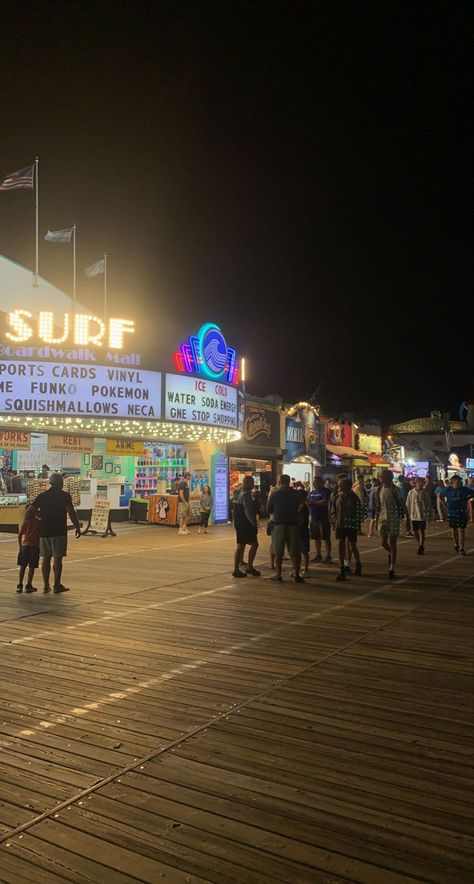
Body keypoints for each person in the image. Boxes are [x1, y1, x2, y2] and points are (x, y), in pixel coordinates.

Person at [30, 473, 81, 593]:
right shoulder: (65, 496)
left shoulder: (42, 496)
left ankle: (46, 585)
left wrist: (38, 519)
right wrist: (77, 526)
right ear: (60, 483)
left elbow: (29, 512)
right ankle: (57, 585)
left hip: (44, 531)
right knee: (58, 558)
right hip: (59, 531)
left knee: (46, 558)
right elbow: (71, 512)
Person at [267, 474, 303, 583]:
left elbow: (269, 509)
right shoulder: (296, 494)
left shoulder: (274, 493)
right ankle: (297, 574)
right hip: (293, 524)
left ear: (280, 481)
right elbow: (298, 506)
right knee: (294, 551)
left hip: (279, 524)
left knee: (279, 551)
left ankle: (278, 575)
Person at [330, 478, 362, 581]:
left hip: (351, 525)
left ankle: (358, 563)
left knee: (352, 546)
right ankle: (341, 568)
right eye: (339, 484)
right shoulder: (337, 496)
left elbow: (359, 510)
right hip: (340, 525)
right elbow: (333, 510)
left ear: (348, 486)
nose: (339, 486)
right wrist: (335, 521)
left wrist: (356, 524)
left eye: (342, 485)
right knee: (340, 545)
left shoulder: (353, 497)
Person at [377, 469, 406, 580]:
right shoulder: (379, 489)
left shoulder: (395, 490)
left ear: (389, 477)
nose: (381, 478)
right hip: (382, 518)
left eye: (383, 476)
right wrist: (376, 520)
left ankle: (392, 568)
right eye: (381, 476)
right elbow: (378, 505)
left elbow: (402, 503)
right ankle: (391, 553)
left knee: (392, 542)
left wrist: (407, 518)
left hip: (394, 518)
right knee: (383, 543)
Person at [232, 475, 260, 578]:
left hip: (238, 523)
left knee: (240, 545)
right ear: (249, 484)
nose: (253, 485)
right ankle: (249, 567)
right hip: (246, 523)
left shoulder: (237, 493)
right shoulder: (246, 495)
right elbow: (248, 512)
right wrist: (254, 524)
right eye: (252, 483)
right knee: (254, 544)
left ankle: (237, 567)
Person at [439, 475, 474, 555]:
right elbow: (440, 495)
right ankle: (456, 544)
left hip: (461, 512)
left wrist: (468, 498)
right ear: (453, 481)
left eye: (459, 481)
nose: (459, 482)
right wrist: (445, 504)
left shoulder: (464, 489)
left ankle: (461, 547)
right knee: (453, 530)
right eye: (457, 480)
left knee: (461, 530)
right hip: (452, 512)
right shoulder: (448, 490)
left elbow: (472, 493)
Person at [16, 506, 41, 593]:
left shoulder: (25, 522)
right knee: (32, 566)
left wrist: (20, 546)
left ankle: (19, 585)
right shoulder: (38, 522)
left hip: (25, 546)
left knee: (22, 566)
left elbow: (19, 535)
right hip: (35, 546)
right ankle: (28, 585)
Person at [308, 476, 332, 563]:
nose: (314, 484)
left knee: (326, 537)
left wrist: (313, 502)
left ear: (321, 483)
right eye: (314, 482)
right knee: (316, 537)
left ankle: (328, 555)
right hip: (314, 518)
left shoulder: (326, 491)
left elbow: (325, 502)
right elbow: (308, 501)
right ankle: (318, 555)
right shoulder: (312, 492)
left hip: (324, 518)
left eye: (316, 482)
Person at [406, 478, 432, 555]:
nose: (420, 484)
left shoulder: (425, 493)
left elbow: (429, 504)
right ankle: (419, 543)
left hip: (422, 515)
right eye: (419, 482)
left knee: (421, 531)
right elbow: (408, 503)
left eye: (421, 482)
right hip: (413, 515)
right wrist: (407, 514)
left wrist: (429, 514)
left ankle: (421, 546)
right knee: (415, 531)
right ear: (416, 483)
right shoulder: (411, 492)